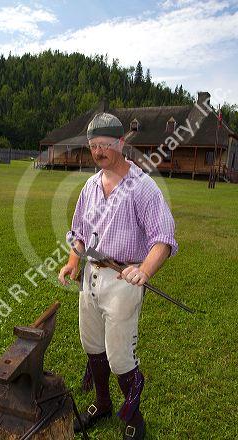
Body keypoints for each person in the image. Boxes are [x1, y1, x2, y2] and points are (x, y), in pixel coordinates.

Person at [58, 113, 178, 440]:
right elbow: (78, 232)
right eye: (93, 146)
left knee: (121, 357)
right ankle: (102, 403)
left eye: (105, 145)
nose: (98, 152)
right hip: (91, 280)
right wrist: (73, 262)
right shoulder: (91, 185)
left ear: (121, 144)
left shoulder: (142, 188)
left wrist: (144, 269)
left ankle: (133, 417)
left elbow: (163, 239)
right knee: (92, 345)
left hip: (124, 282)